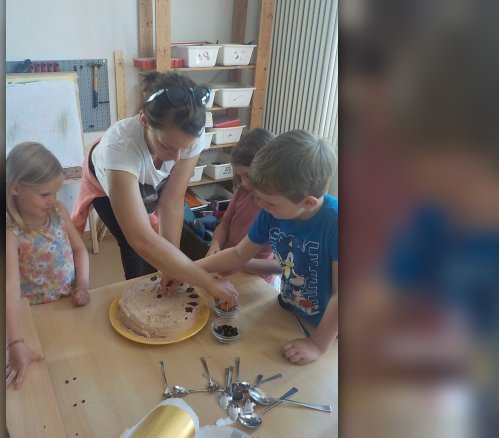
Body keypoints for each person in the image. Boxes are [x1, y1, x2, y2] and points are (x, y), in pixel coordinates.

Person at [70, 72, 238, 306]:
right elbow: (140, 238)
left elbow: (171, 204)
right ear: (144, 121)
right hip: (103, 182)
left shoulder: (190, 135)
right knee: (133, 248)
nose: (177, 157)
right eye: (167, 146)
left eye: (184, 148)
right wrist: (207, 282)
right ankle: (137, 302)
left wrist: (173, 266)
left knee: (164, 252)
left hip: (144, 177)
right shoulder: (120, 147)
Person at [188, 130, 338, 365]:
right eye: (259, 198)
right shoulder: (272, 211)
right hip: (291, 308)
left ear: (308, 202)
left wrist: (318, 344)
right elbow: (238, 254)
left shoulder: (337, 223)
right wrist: (187, 270)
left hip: (328, 328)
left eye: (268, 202)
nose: (260, 206)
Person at [5, 142, 90, 389]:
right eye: (45, 194)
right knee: (48, 380)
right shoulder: (11, 233)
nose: (53, 200)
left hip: (68, 302)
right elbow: (9, 287)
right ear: (16, 188)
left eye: (56, 192)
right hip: (34, 314)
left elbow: (79, 250)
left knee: (80, 367)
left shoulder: (58, 211)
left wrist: (83, 284)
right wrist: (15, 343)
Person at [205, 128, 279, 284]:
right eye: (239, 175)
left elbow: (280, 265)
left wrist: (242, 262)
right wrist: (215, 244)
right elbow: (224, 224)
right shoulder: (242, 191)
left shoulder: (278, 209)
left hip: (257, 278)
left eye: (248, 175)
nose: (244, 182)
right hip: (231, 266)